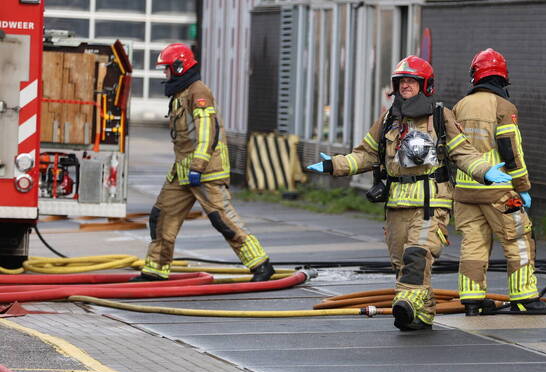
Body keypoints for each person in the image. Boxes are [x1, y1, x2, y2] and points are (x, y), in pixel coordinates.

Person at [308, 55, 513, 331]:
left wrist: (485, 171)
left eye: (411, 81)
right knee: (402, 264)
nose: (405, 85)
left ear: (425, 85)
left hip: (430, 203)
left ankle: (404, 305)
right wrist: (334, 165)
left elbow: (463, 152)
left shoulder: (440, 117)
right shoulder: (388, 120)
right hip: (396, 205)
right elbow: (366, 155)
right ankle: (422, 314)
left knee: (417, 256)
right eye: (401, 81)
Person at [134, 43, 274, 282]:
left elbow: (207, 131)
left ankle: (261, 265)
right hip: (183, 171)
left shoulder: (198, 92)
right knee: (162, 215)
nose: (164, 73)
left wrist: (198, 166)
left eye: (167, 68)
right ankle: (155, 270)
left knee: (223, 220)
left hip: (205, 171)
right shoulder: (180, 93)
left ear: (179, 67)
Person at [451, 48, 546, 315]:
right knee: (518, 239)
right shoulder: (504, 107)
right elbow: (510, 151)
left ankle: (472, 301)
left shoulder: (459, 106)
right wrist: (523, 187)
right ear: (502, 77)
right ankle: (524, 298)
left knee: (473, 243)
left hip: (465, 191)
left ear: (475, 76)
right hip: (498, 191)